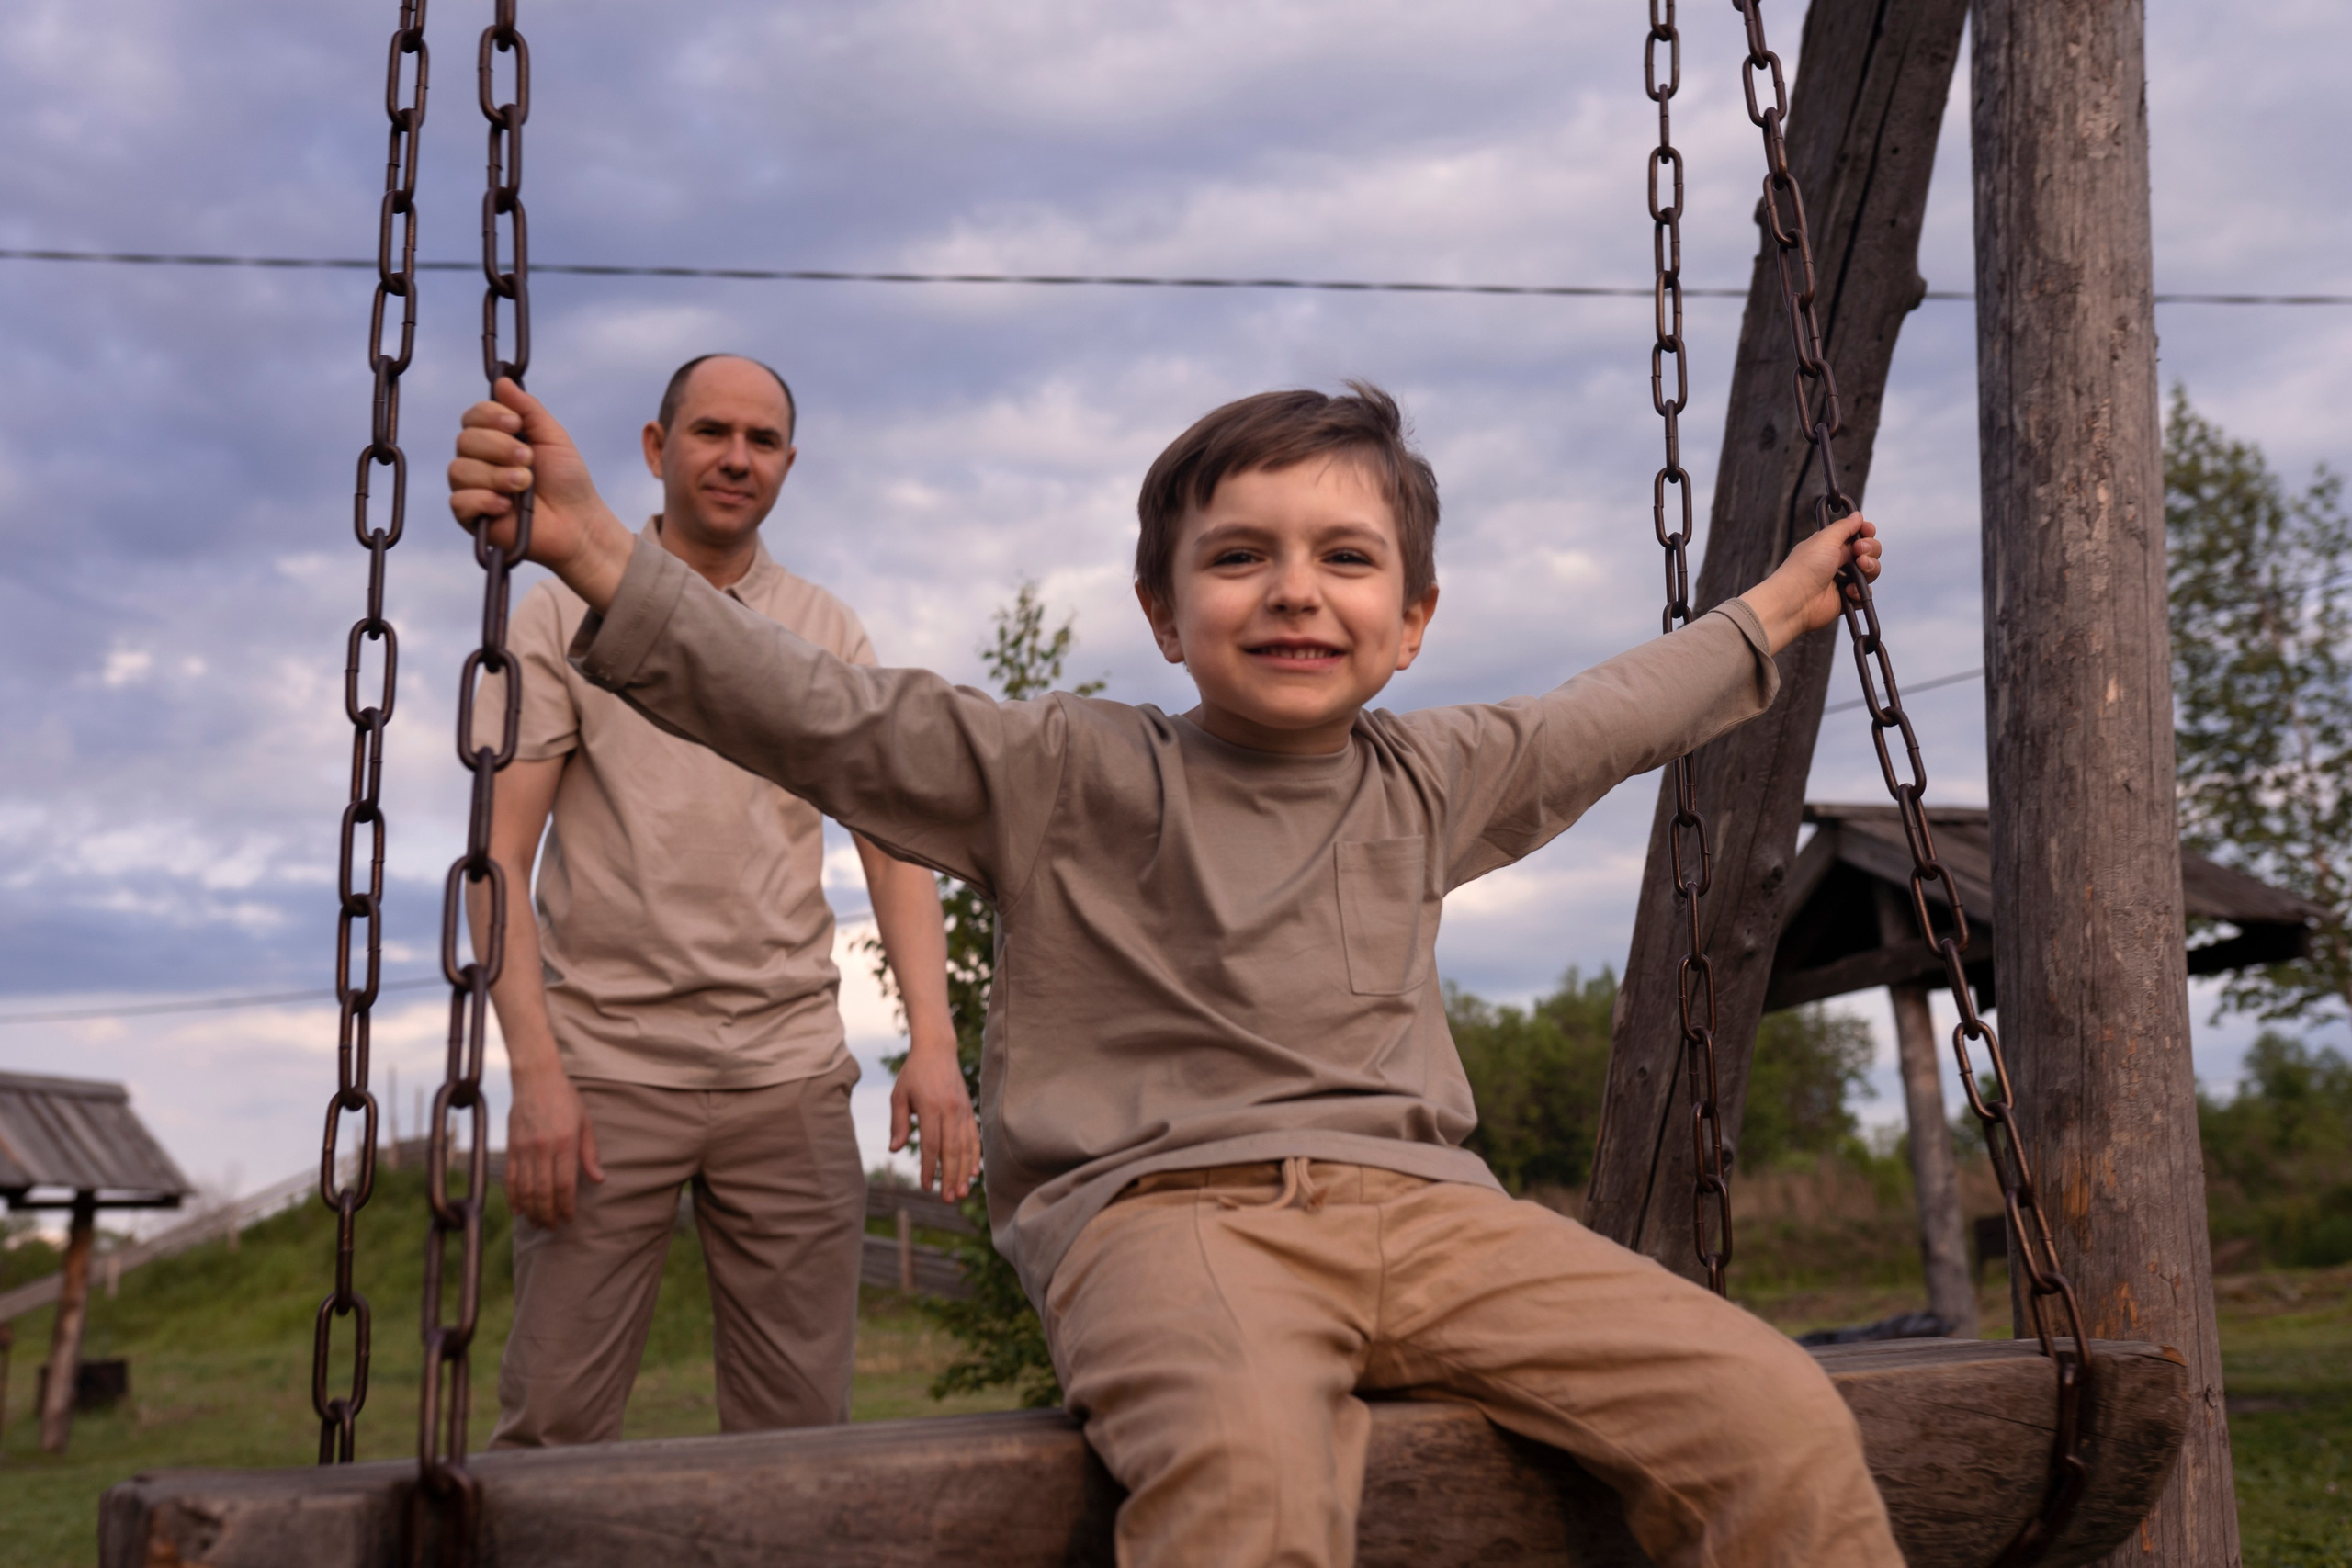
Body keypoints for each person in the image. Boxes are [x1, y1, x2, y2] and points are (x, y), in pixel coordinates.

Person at [448, 377, 1900, 1566]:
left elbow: (1608, 713)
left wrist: (1774, 610)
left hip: (1435, 1215)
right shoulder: (1069, 770)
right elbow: (825, 713)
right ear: (1162, 610)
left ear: (1410, 625)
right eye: (1238, 555)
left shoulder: (1433, 774)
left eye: (1345, 558)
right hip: (1168, 1220)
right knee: (1249, 1489)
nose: (1294, 593)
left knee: (1775, 1416)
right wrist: (597, 555)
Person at [471, 355, 978, 1449]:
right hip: (606, 1073)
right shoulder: (557, 621)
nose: (736, 458)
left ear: (788, 464)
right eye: (711, 433)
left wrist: (932, 1047)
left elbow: (893, 848)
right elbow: (494, 865)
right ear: (657, 452)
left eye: (761, 440)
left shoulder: (824, 629)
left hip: (786, 1073)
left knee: (801, 1440)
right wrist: (537, 1078)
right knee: (553, 1428)